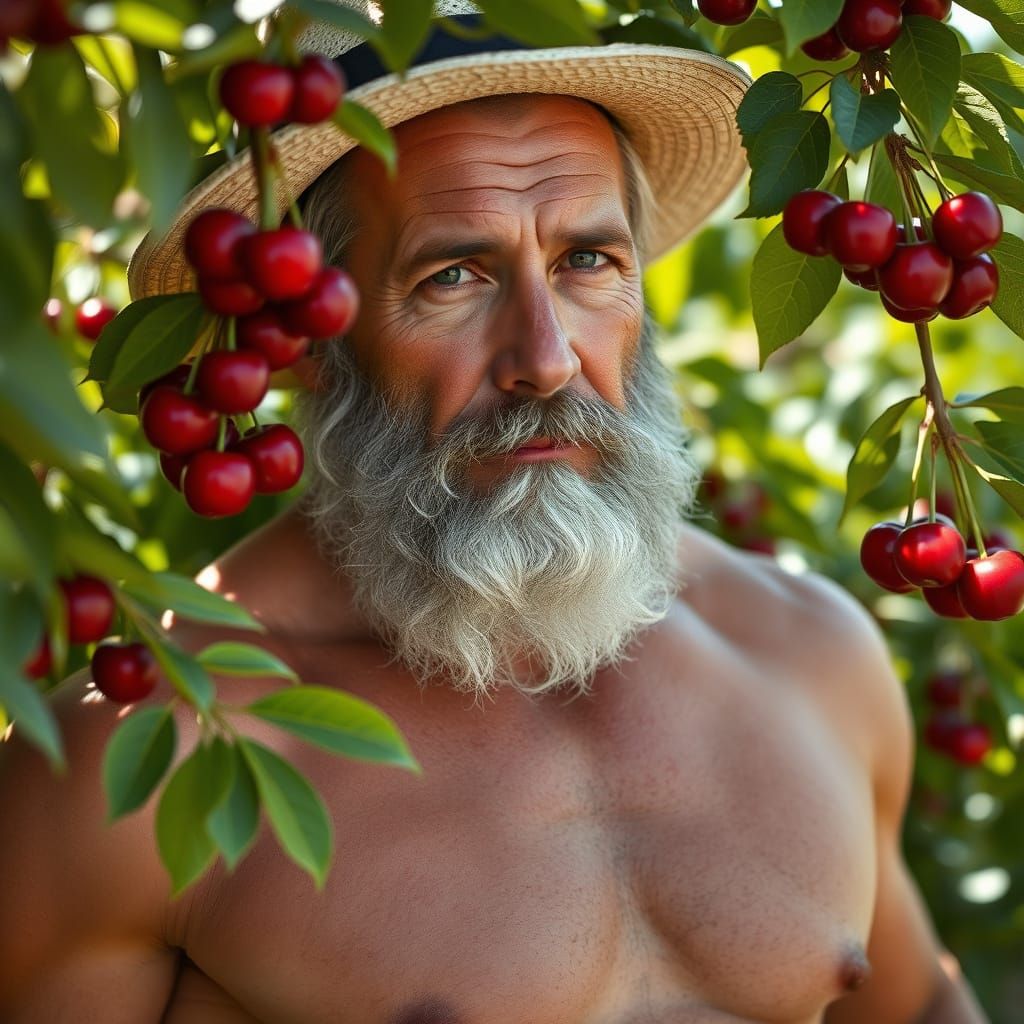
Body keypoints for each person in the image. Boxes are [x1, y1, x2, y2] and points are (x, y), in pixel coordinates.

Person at [0, 6, 989, 1023]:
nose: (547, 356)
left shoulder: (809, 652)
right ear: (295, 331)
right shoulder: (135, 769)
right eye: (453, 275)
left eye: (587, 262)